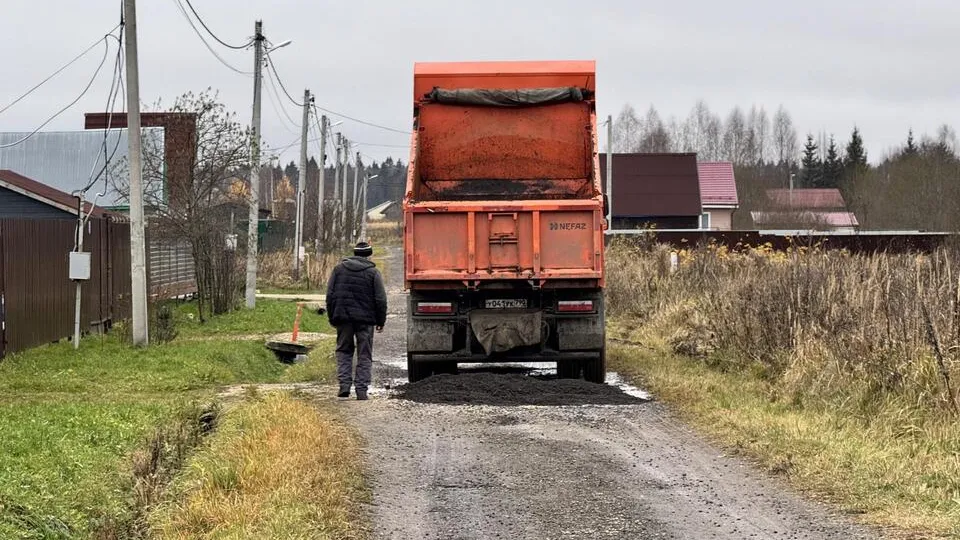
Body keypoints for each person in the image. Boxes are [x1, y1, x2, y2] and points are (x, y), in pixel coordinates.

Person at [326, 241, 387, 400]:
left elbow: (330, 296)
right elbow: (380, 299)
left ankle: (344, 386)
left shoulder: (338, 270)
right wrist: (380, 320)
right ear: (369, 254)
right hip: (366, 321)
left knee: (344, 351)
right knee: (364, 354)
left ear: (354, 253)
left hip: (343, 318)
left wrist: (333, 317)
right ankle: (361, 391)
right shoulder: (373, 273)